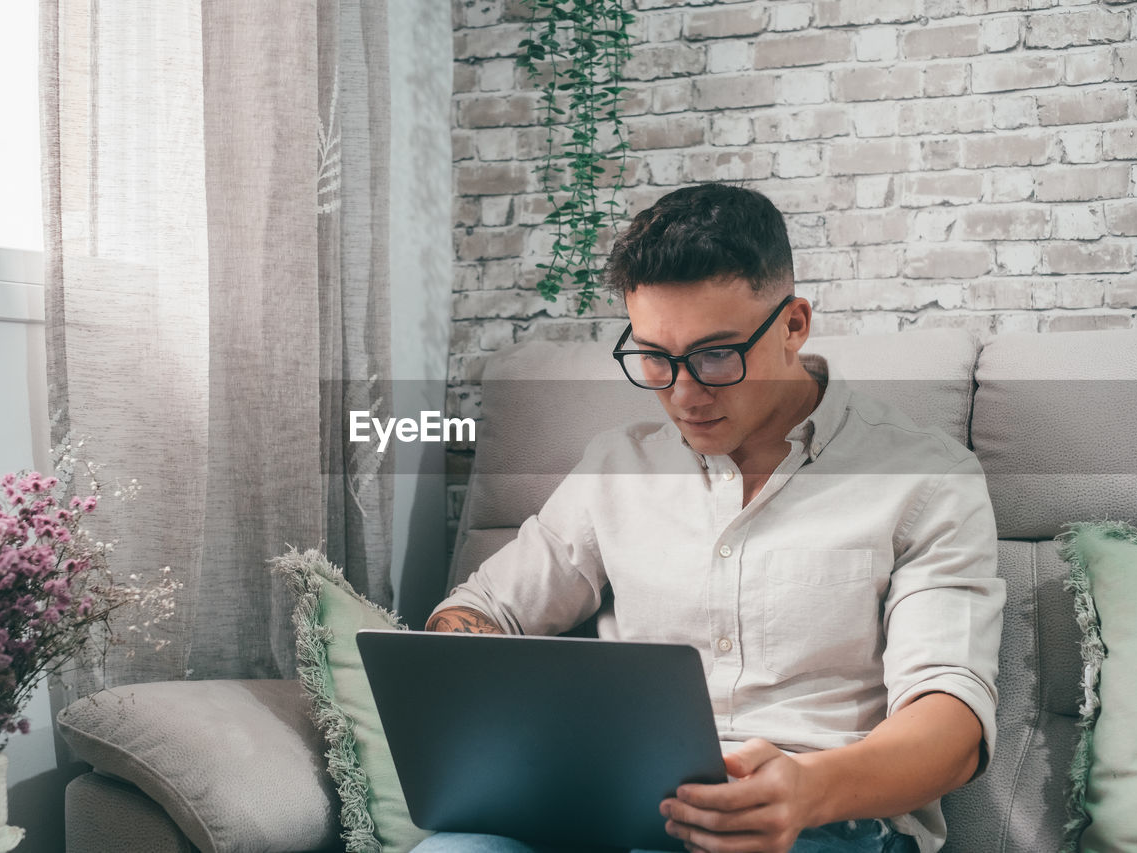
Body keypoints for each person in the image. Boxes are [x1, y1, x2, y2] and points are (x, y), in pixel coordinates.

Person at [415, 183, 1005, 853]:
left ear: (793, 325)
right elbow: (482, 608)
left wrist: (809, 786)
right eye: (655, 358)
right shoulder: (617, 467)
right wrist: (482, 678)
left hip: (823, 828)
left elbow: (951, 723)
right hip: (613, 815)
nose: (684, 393)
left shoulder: (926, 479)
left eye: (716, 355)